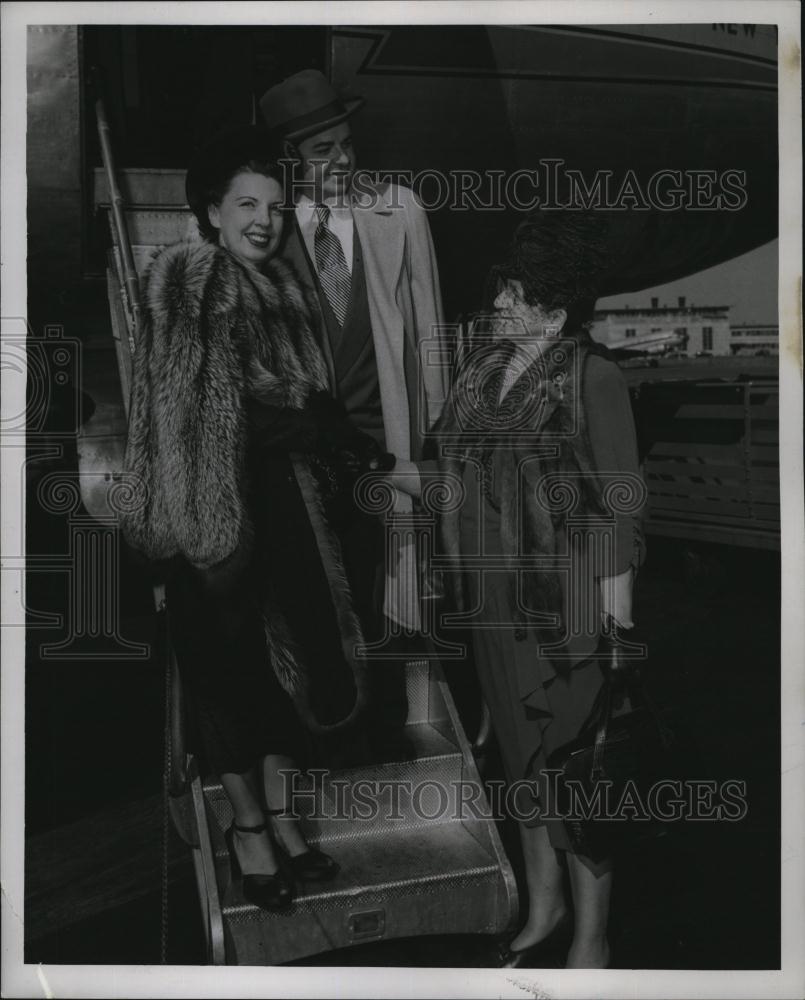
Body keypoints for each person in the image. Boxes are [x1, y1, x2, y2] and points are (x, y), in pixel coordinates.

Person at [121, 125, 392, 913]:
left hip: (283, 508)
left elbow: (294, 405)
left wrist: (328, 436)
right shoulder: (194, 278)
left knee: (291, 669)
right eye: (245, 204)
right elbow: (209, 415)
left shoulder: (282, 287)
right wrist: (317, 425)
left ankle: (281, 817)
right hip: (213, 512)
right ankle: (247, 828)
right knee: (230, 678)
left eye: (274, 205)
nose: (263, 221)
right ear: (210, 210)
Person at [434, 210, 646, 968]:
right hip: (496, 613)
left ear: (555, 314)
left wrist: (616, 639)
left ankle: (592, 936)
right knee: (522, 763)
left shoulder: (595, 378)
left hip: (570, 612)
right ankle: (544, 904)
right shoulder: (483, 376)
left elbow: (619, 510)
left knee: (579, 776)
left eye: (514, 295)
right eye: (501, 292)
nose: (497, 305)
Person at [259, 70, 448, 747]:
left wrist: (429, 446)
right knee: (315, 599)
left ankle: (389, 738)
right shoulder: (270, 228)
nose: (339, 162)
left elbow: (428, 332)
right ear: (291, 160)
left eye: (343, 144)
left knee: (389, 596)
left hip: (385, 446)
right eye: (319, 152)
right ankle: (329, 739)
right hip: (307, 458)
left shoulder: (398, 211)